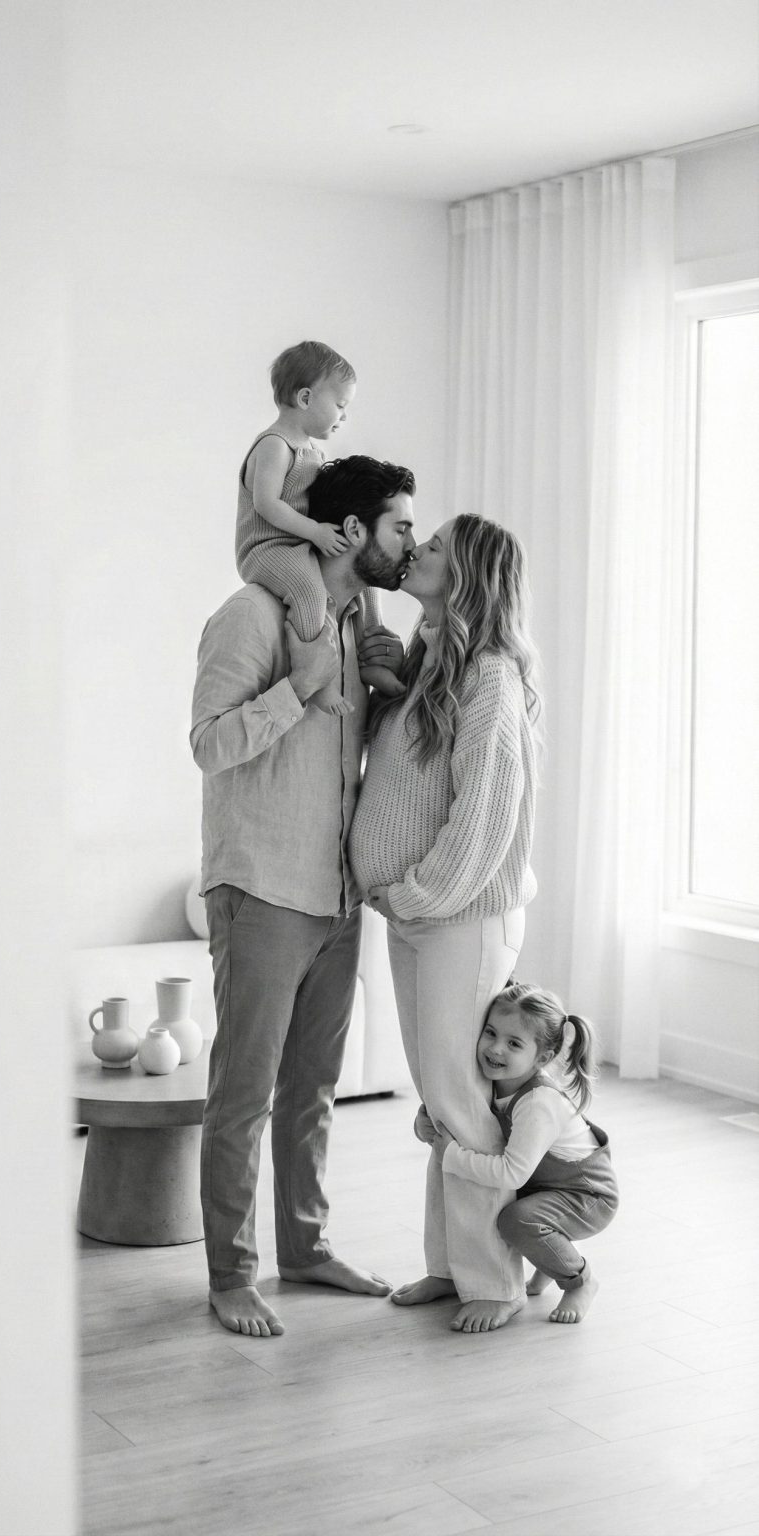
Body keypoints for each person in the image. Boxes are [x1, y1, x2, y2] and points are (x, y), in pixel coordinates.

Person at [191, 454, 417, 1338]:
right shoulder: (248, 615)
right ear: (352, 531)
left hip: (337, 895)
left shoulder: (363, 621)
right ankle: (229, 1275)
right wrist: (297, 691)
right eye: (399, 524)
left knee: (313, 1087)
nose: (410, 540)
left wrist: (391, 685)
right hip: (262, 886)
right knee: (244, 1092)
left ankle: (308, 1249)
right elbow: (208, 745)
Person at [348, 512, 541, 1333]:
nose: (417, 550)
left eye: (433, 549)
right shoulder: (436, 659)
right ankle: (453, 1268)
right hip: (419, 912)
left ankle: (496, 1280)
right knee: (441, 1098)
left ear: (465, 575)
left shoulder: (492, 674)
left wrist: (420, 894)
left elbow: (485, 815)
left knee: (464, 1102)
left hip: (457, 914)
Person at [424, 980, 618, 1324]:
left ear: (541, 1057)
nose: (495, 1049)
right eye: (490, 1033)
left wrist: (451, 1156)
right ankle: (549, 1257)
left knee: (516, 1220)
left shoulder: (538, 1103)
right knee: (501, 1205)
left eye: (514, 1043)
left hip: (586, 1194)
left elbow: (512, 1173)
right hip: (544, 1182)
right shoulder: (493, 1079)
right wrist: (424, 1125)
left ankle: (580, 1280)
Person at [236, 340, 406, 713]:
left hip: (302, 541)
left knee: (364, 572)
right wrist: (314, 532)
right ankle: (318, 677)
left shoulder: (313, 450)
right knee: (310, 594)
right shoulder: (275, 445)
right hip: (269, 548)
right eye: (341, 405)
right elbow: (266, 504)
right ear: (306, 398)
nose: (344, 416)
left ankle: (370, 658)